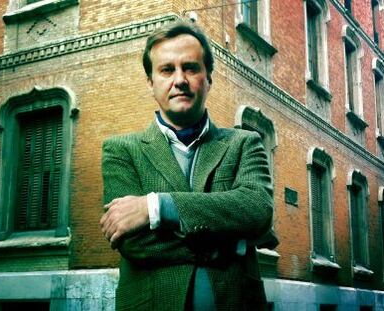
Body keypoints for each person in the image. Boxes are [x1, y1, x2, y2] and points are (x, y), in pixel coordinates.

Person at [99, 20, 276, 311]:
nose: (179, 79)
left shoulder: (245, 143)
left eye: (191, 68)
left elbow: (257, 210)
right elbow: (133, 244)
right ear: (150, 83)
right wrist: (235, 243)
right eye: (167, 70)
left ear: (208, 79)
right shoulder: (121, 150)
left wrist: (156, 207)